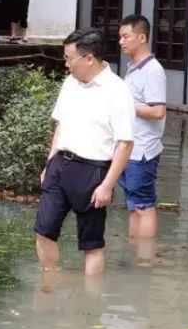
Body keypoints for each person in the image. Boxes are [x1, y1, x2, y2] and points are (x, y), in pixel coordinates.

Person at [34, 29, 135, 276]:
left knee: (91, 244)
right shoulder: (70, 83)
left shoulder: (117, 91)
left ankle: (90, 305)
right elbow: (60, 125)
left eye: (69, 58)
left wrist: (107, 185)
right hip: (60, 164)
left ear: (89, 58)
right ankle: (51, 281)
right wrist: (49, 163)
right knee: (43, 230)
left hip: (93, 171)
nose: (66, 65)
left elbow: (125, 143)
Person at [117, 16, 167, 251]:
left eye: (125, 36)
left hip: (143, 149)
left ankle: (145, 259)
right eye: (120, 36)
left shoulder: (152, 71)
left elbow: (158, 111)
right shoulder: (134, 68)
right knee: (133, 204)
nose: (121, 41)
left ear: (142, 37)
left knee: (143, 205)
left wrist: (126, 107)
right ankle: (134, 250)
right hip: (130, 147)